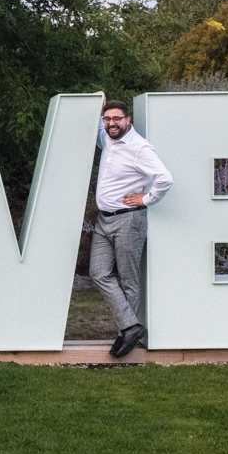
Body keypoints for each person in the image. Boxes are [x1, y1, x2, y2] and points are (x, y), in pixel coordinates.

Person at [90, 94, 173, 359]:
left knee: (128, 279)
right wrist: (99, 102)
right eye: (107, 119)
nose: (111, 123)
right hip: (104, 220)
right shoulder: (107, 138)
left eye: (117, 119)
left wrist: (146, 199)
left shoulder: (139, 148)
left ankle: (126, 334)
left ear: (128, 120)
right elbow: (96, 126)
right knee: (98, 272)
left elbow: (164, 178)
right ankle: (130, 326)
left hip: (128, 220)